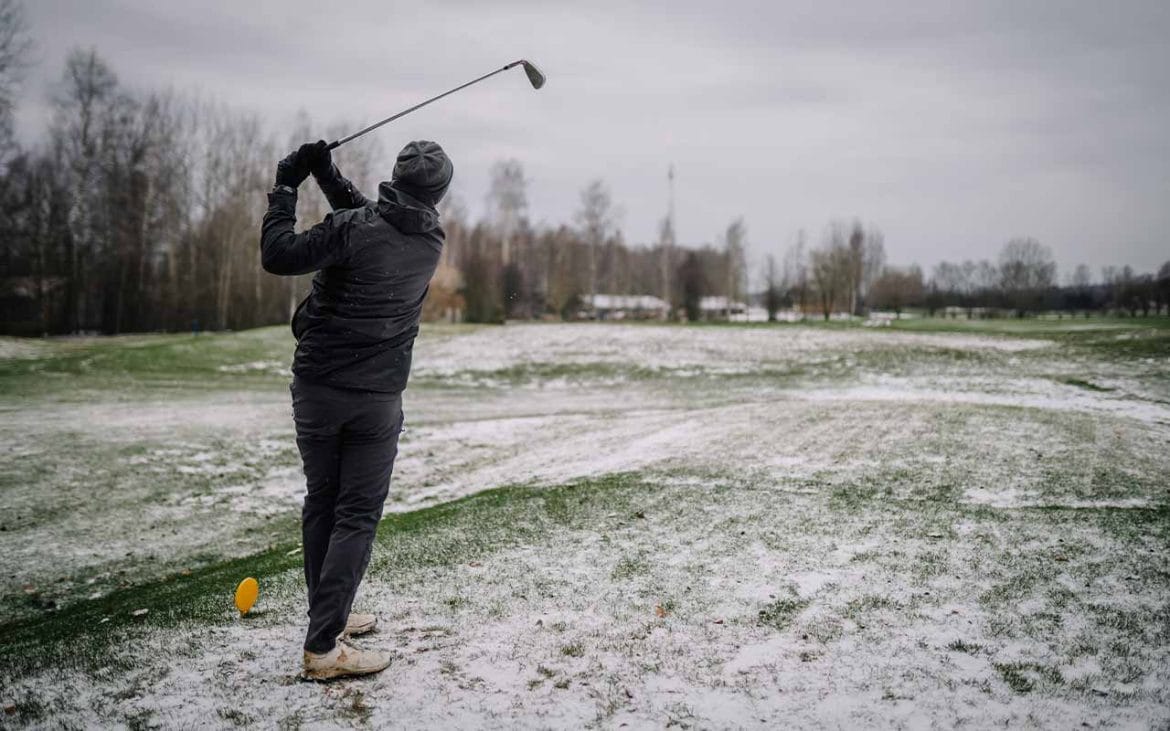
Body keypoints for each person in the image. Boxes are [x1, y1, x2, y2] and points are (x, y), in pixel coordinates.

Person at [259, 138, 452, 680]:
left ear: (397, 176)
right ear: (439, 192)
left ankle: (329, 618)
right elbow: (372, 217)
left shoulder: (355, 230)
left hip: (319, 388)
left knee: (325, 499)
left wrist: (285, 188)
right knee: (356, 514)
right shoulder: (430, 237)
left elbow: (280, 254)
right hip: (376, 399)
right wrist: (327, 173)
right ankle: (324, 646)